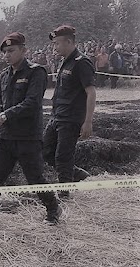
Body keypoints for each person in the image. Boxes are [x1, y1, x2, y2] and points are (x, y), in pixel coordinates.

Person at [0, 32, 61, 228]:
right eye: (4, 52)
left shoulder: (36, 72)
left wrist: (6, 115)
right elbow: (0, 100)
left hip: (28, 136)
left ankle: (53, 208)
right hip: (5, 136)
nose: (7, 55)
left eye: (11, 51)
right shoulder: (4, 75)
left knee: (35, 178)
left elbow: (32, 103)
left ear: (24, 50)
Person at [43, 25, 95, 196]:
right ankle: (79, 175)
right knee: (45, 151)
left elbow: (90, 92)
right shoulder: (64, 61)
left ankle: (64, 193)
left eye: (57, 43)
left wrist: (87, 122)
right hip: (57, 115)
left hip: (71, 118)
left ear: (69, 42)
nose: (54, 47)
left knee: (63, 157)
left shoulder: (82, 62)